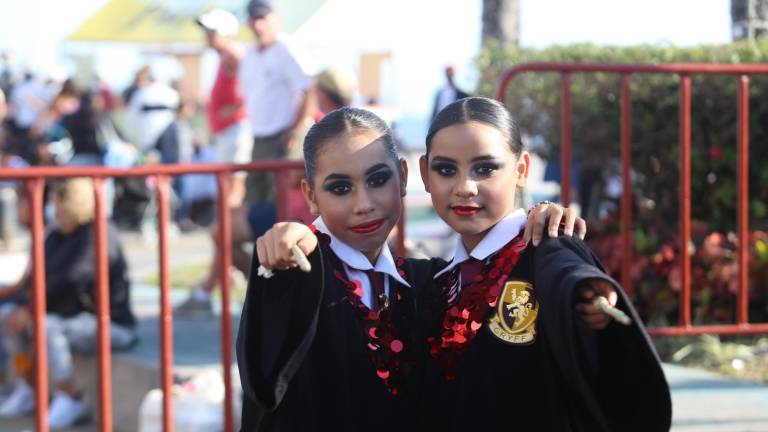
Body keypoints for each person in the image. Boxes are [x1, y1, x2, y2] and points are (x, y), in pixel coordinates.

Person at [238, 107, 583, 431]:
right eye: (340, 188)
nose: (364, 205)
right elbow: (266, 367)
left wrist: (547, 222)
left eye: (377, 180)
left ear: (403, 178)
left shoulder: (425, 282)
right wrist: (283, 244)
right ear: (311, 196)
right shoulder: (301, 274)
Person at [415, 97, 671, 431]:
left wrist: (583, 290)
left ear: (521, 170)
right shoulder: (434, 281)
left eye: (485, 168)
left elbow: (564, 269)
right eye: (446, 169)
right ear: (424, 173)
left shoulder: (544, 246)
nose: (465, 187)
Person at [174, 66, 353, 317]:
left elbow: (292, 175)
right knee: (226, 228)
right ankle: (263, 292)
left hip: (300, 214)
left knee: (221, 230)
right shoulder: (350, 125)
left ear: (319, 93)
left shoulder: (320, 126)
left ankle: (264, 292)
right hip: (302, 211)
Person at [0, 178, 137, 429]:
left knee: (48, 326)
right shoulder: (55, 233)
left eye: (56, 203)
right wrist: (23, 305)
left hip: (110, 323)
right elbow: (36, 276)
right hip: (65, 315)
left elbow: (73, 280)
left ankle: (69, 397)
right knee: (6, 315)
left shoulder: (99, 233)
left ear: (73, 204)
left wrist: (31, 310)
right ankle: (29, 385)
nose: (52, 209)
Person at [239, 0, 315, 205]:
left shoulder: (287, 48)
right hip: (259, 138)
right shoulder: (250, 54)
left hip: (283, 139)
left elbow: (309, 89)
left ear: (275, 18)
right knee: (256, 199)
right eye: (254, 18)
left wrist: (294, 131)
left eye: (262, 18)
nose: (258, 25)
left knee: (281, 200)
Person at [196, 8, 253, 207]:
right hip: (228, 130)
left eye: (212, 31)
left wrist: (238, 107)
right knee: (229, 184)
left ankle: (232, 229)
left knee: (234, 186)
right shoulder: (224, 56)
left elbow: (254, 85)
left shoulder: (232, 53)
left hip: (235, 128)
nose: (208, 36)